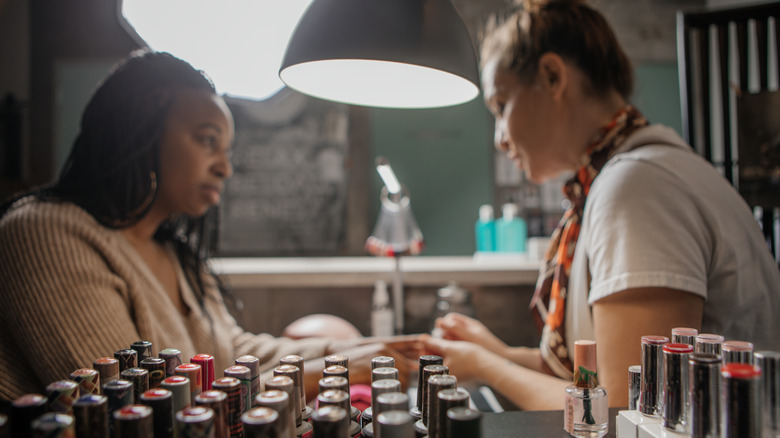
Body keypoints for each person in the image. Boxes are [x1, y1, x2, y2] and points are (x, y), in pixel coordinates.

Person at [0, 50, 417, 404]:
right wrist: (325, 372)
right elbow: (133, 405)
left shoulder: (174, 254)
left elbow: (234, 352)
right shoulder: (44, 232)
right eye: (206, 140)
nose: (224, 167)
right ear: (141, 132)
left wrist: (352, 351)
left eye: (226, 149)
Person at [421, 0, 780, 410]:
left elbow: (618, 409)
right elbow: (592, 378)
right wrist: (497, 354)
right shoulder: (640, 169)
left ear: (553, 76)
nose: (500, 138)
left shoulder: (637, 188)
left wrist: (486, 366)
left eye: (502, 106)